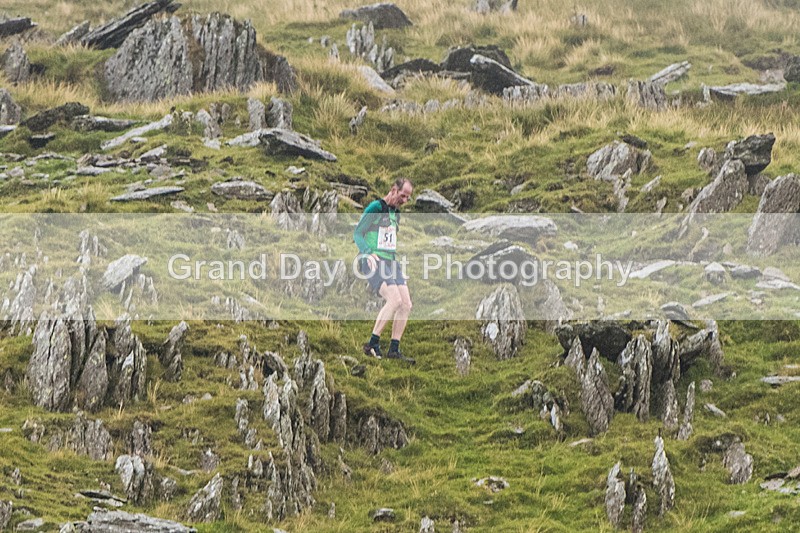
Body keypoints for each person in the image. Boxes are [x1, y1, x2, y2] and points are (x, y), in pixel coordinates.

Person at [354, 178, 416, 364]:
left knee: (406, 304)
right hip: (373, 260)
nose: (404, 201)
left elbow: (389, 242)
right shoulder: (375, 207)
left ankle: (394, 350)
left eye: (408, 198)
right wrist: (368, 253)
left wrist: (397, 267)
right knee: (394, 300)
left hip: (390, 262)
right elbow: (358, 233)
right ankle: (372, 344)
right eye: (403, 196)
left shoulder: (396, 214)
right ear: (393, 190)